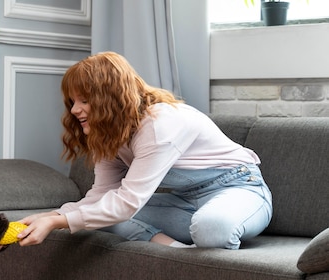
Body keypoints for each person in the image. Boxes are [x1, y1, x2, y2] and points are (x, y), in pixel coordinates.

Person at [17, 51, 272, 250]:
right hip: (184, 202)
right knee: (102, 219)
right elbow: (102, 197)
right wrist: (50, 217)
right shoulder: (110, 134)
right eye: (73, 102)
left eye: (84, 100)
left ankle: (199, 248)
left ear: (110, 98)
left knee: (212, 228)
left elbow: (127, 203)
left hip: (240, 189)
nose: (74, 110)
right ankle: (179, 254)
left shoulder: (158, 124)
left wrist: (56, 221)